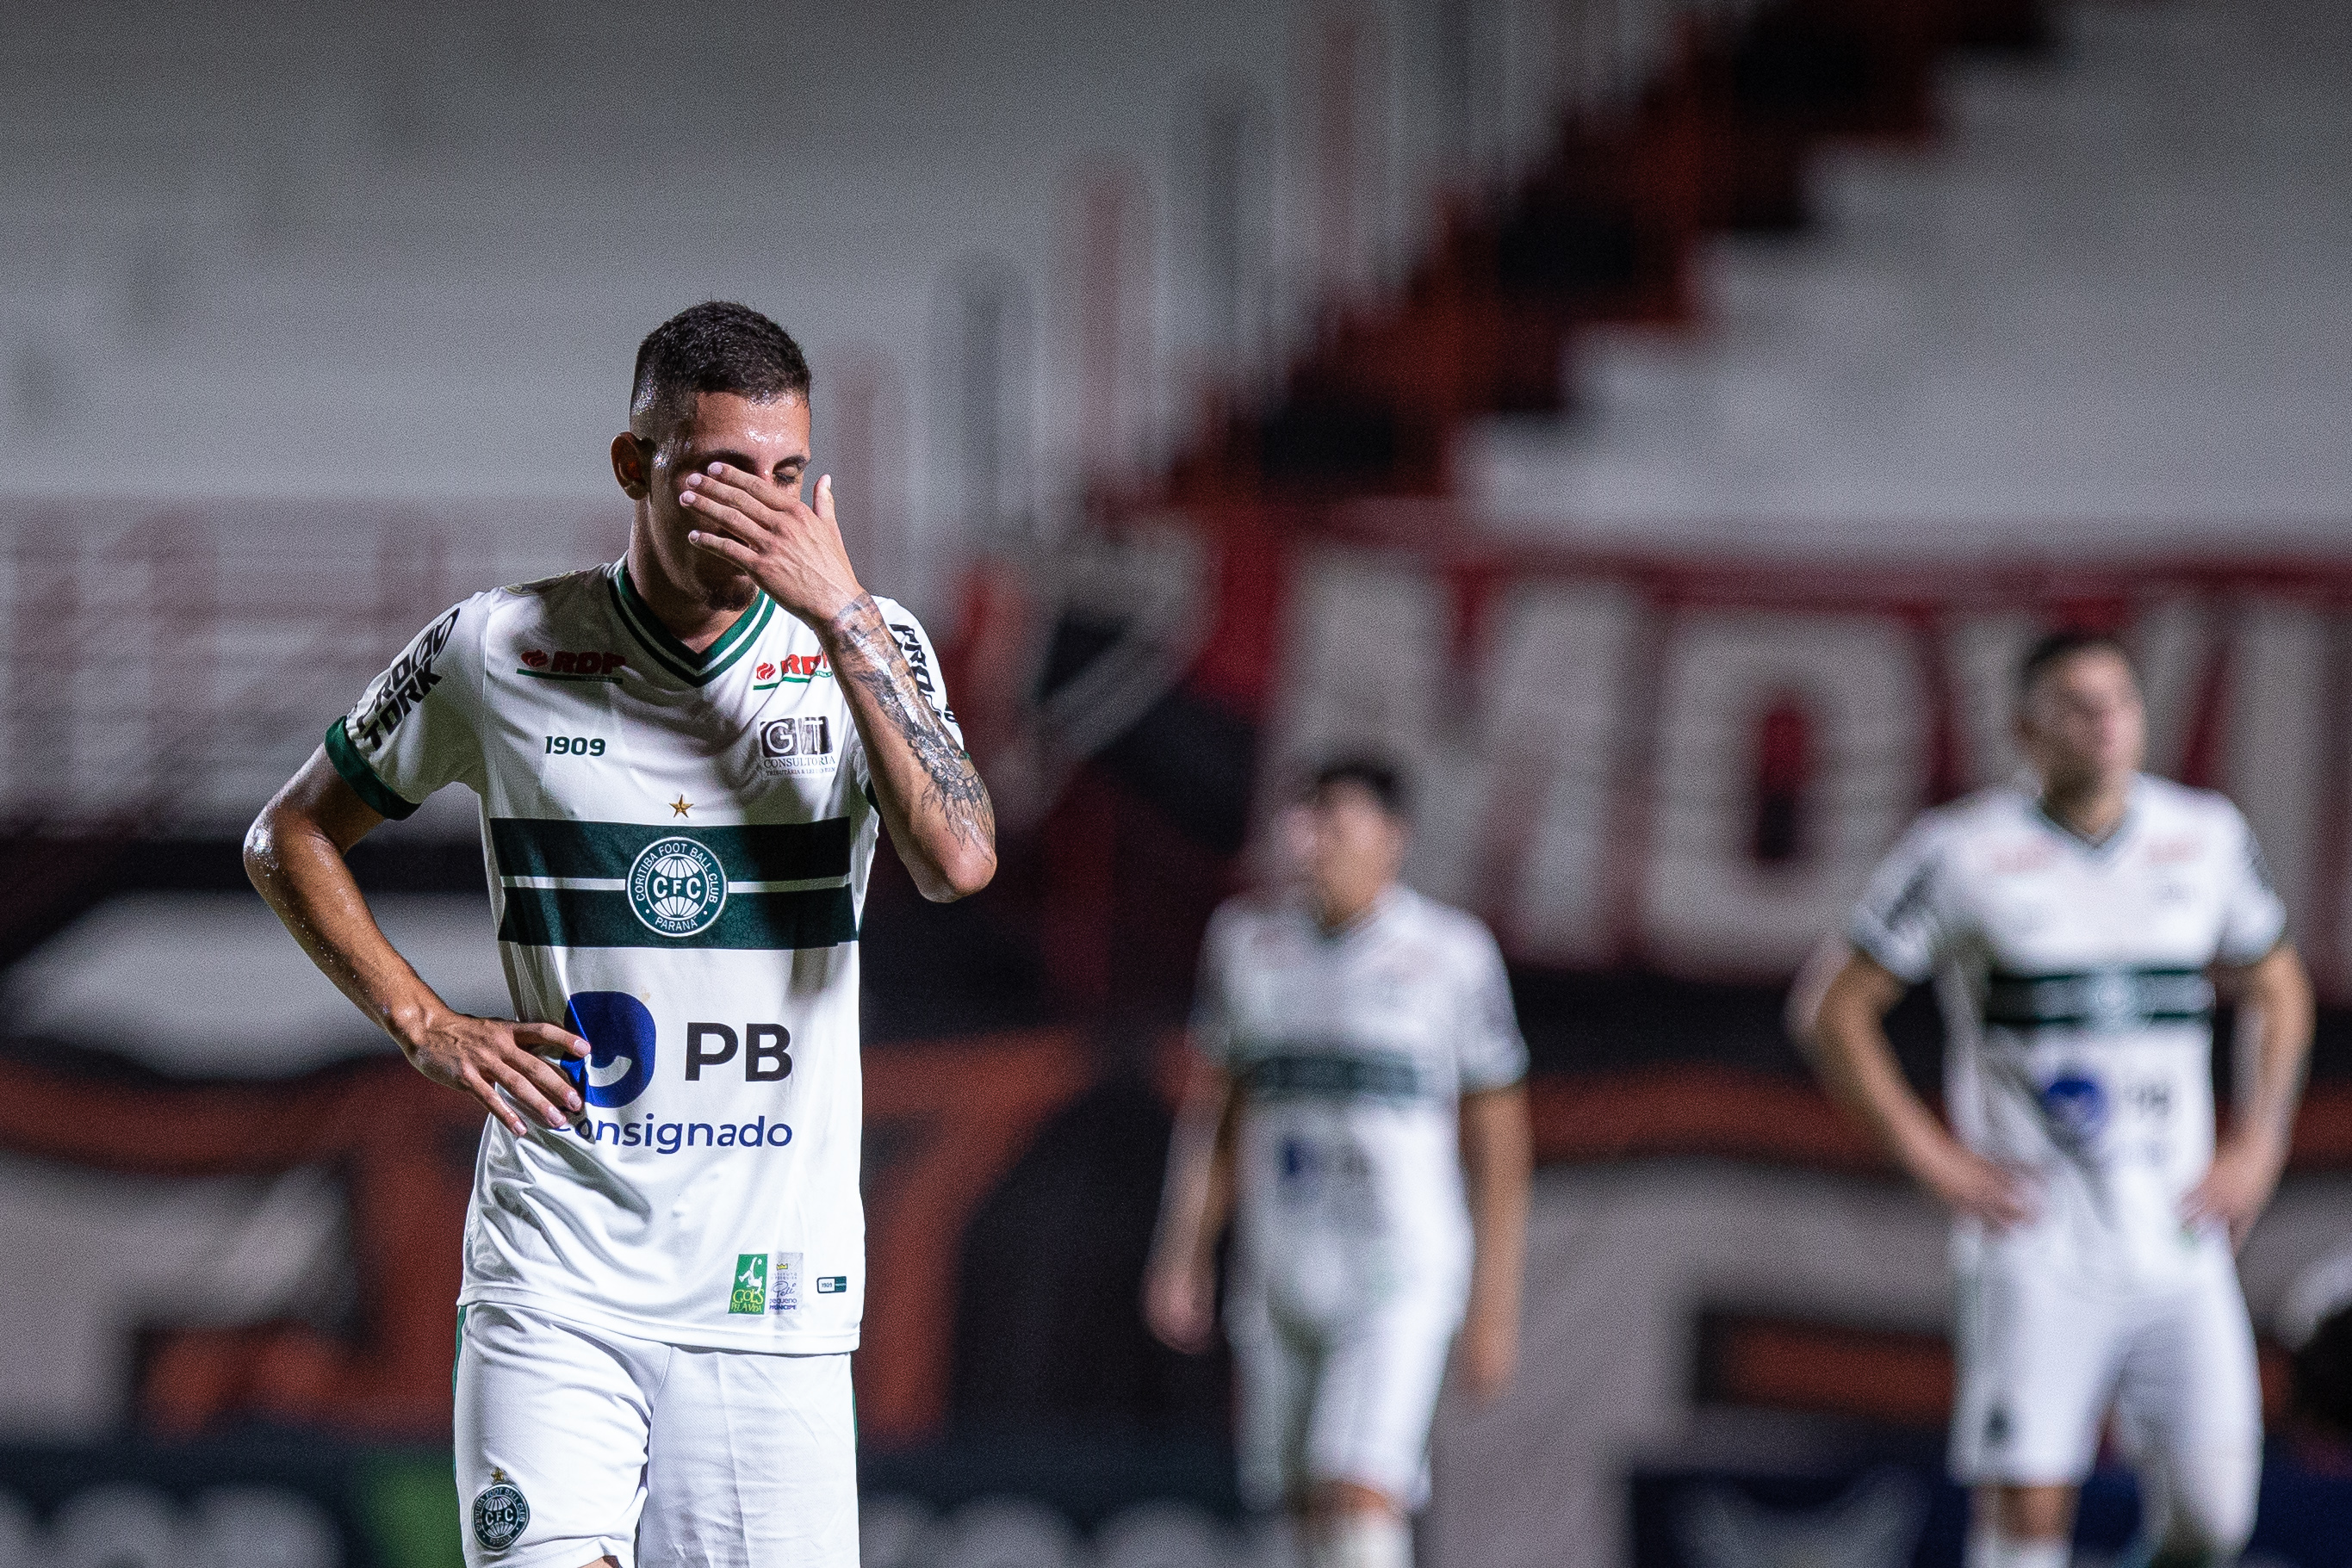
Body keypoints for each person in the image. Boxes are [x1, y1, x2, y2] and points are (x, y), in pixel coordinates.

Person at [245, 301, 994, 1568]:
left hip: (772, 1302)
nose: (764, 508)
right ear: (632, 466)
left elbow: (958, 860)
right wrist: (423, 1021)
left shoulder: (872, 647)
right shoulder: (502, 649)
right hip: (559, 1269)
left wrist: (845, 618)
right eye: (721, 473)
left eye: (788, 477)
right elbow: (289, 838)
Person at [1797, 629, 2312, 1568]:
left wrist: (2261, 1139)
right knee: (2026, 1517)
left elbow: (2277, 986)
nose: (2104, 724)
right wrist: (1929, 1154)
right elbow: (1833, 1011)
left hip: (2178, 1237)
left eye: (2119, 702)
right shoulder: (1960, 854)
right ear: (2025, 731)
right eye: (2076, 707)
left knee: (2214, 1521)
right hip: (2037, 1244)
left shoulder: (2203, 837)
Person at [1144, 758, 1532, 1568]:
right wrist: (1183, 1245)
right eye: (1304, 821)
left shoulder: (1449, 955)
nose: (1313, 843)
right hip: (1284, 1261)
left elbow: (1499, 1136)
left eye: (1337, 823)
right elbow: (1221, 1109)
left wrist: (1494, 1300)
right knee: (1289, 1504)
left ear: (1392, 840)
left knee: (1358, 1488)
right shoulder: (1247, 943)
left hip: (1398, 1268)